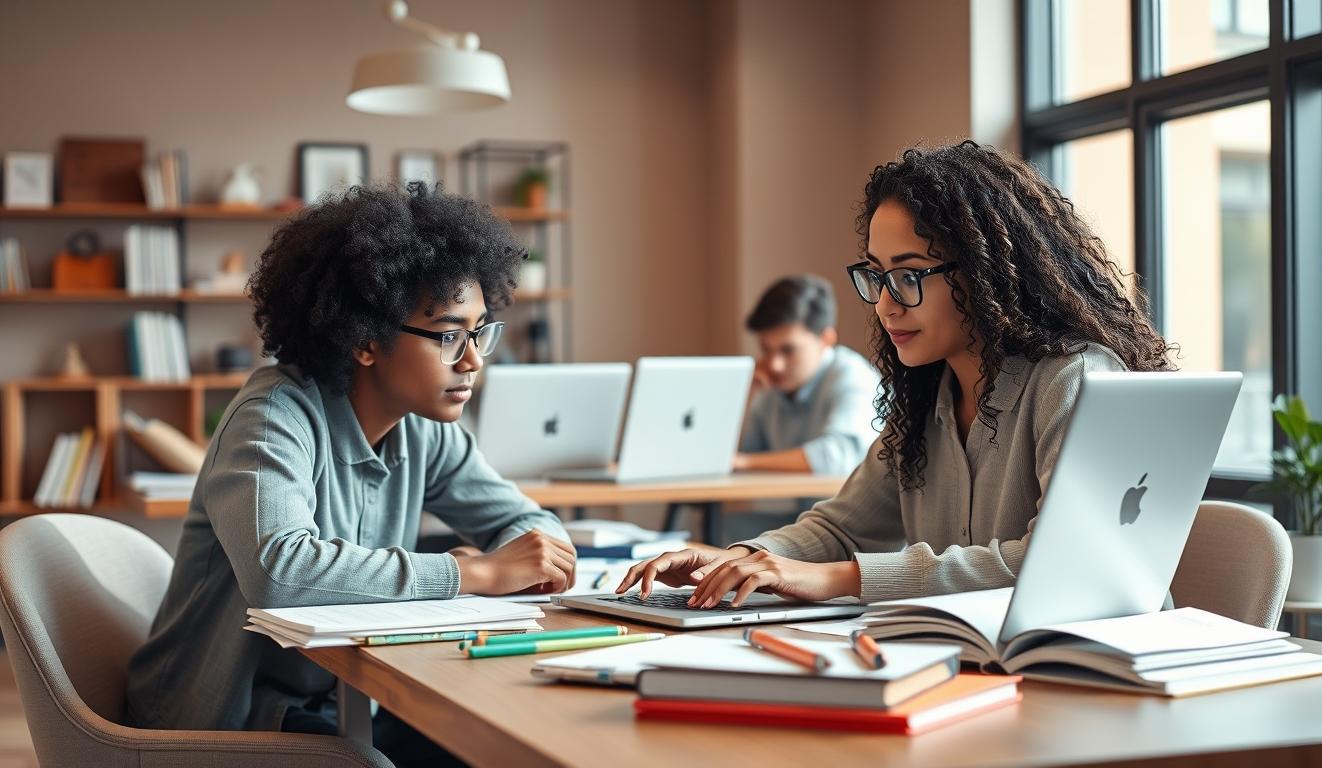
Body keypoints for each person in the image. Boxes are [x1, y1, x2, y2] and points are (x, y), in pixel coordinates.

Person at [126, 184, 576, 767]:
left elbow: (524, 522)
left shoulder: (425, 429)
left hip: (336, 700)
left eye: (480, 331)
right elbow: (278, 571)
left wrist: (538, 557)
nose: (472, 360)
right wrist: (474, 571)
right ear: (366, 339)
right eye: (447, 336)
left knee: (503, 745)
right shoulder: (273, 417)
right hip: (220, 724)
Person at [618, 141, 1173, 608]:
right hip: (977, 671)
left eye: (908, 276)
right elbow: (839, 529)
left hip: (1092, 679)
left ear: (985, 274)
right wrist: (736, 558)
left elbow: (1059, 559)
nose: (885, 306)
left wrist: (838, 579)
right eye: (877, 276)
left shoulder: (1073, 378)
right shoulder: (930, 396)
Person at [735, 274, 880, 477]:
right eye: (766, 349)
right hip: (800, 508)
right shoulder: (769, 389)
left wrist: (744, 462)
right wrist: (746, 397)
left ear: (826, 339)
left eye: (788, 350)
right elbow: (735, 457)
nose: (775, 364)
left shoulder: (854, 378)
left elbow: (837, 456)